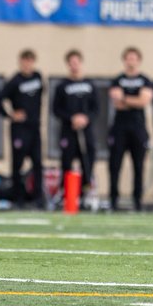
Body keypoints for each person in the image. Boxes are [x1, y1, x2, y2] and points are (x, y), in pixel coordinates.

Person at [107, 46, 153, 211]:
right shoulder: (117, 79)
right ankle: (113, 200)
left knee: (138, 166)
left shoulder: (145, 80)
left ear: (138, 60)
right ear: (124, 60)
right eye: (128, 58)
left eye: (134, 58)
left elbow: (144, 101)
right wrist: (134, 99)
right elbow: (116, 103)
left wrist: (125, 98)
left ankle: (137, 200)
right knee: (114, 165)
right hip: (119, 128)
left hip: (138, 128)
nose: (131, 61)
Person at [52, 49, 98, 211]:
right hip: (68, 130)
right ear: (68, 64)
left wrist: (85, 118)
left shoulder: (90, 85)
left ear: (81, 63)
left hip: (86, 131)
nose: (74, 65)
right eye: (71, 62)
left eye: (76, 62)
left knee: (87, 162)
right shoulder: (62, 86)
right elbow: (56, 109)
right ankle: (66, 195)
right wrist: (71, 118)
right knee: (66, 162)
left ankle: (86, 194)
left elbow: (96, 108)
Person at [0, 49, 45, 209]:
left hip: (35, 128)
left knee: (38, 163)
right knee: (17, 164)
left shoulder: (38, 77)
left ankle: (38, 198)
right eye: (25, 61)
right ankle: (17, 198)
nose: (27, 64)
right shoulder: (15, 81)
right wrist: (10, 114)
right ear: (20, 62)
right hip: (19, 129)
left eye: (30, 61)